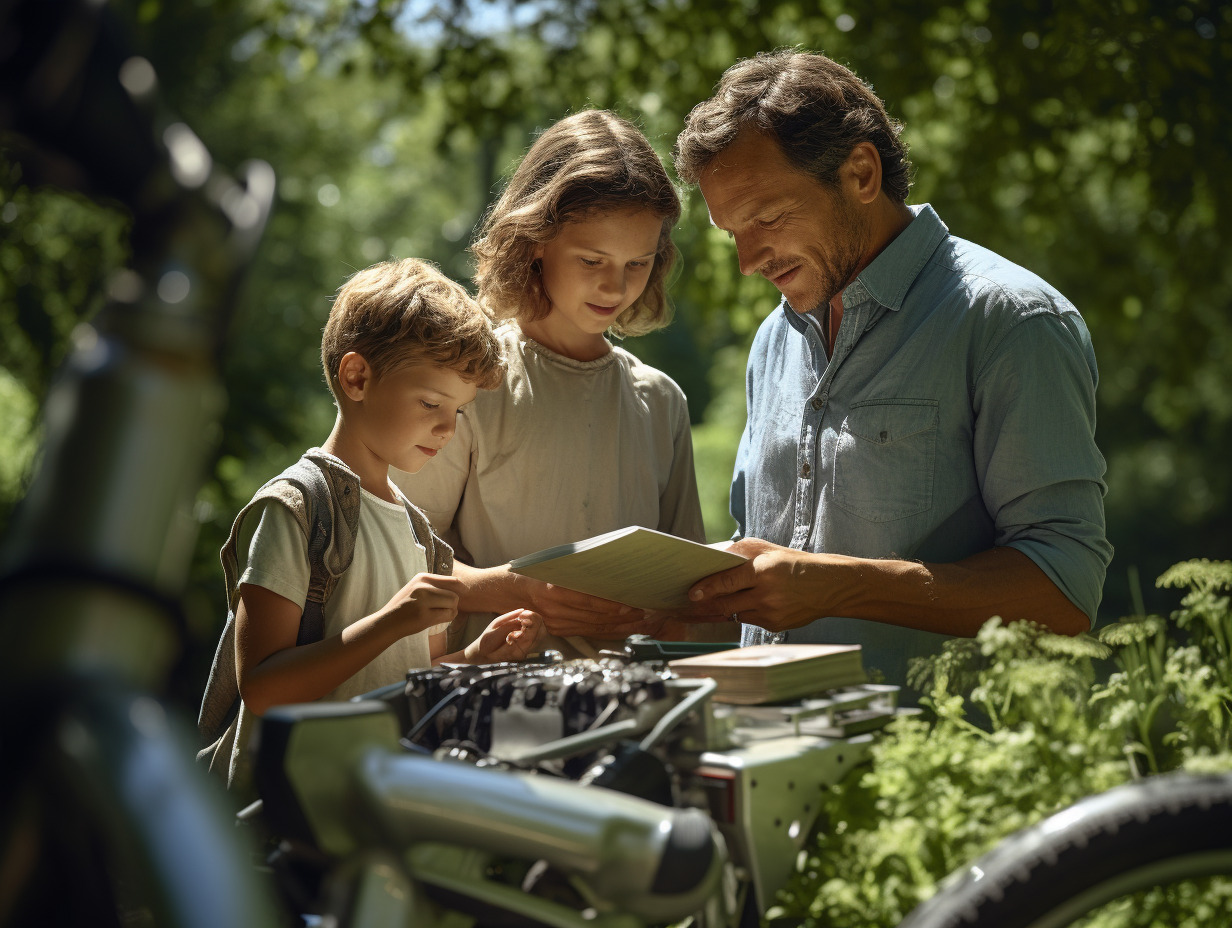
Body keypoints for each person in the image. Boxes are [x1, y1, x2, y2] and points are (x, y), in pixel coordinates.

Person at [672, 49, 1113, 697]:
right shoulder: (774, 339)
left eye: (765, 219)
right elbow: (767, 551)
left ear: (860, 172)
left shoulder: (1011, 321)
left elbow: (1065, 590)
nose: (747, 261)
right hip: (767, 750)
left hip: (932, 771)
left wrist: (840, 585)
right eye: (731, 233)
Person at [394, 109, 728, 658]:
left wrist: (673, 615)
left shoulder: (661, 402)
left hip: (629, 704)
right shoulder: (469, 381)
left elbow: (693, 596)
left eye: (638, 263)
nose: (615, 286)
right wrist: (516, 590)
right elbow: (395, 553)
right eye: (592, 259)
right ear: (536, 240)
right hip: (486, 697)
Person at [208, 258, 544, 794]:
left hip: (372, 812)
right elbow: (264, 688)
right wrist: (390, 622)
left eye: (458, 411)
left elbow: (408, 685)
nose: (446, 428)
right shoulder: (298, 507)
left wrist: (476, 659)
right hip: (281, 823)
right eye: (432, 402)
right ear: (357, 377)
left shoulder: (418, 534)